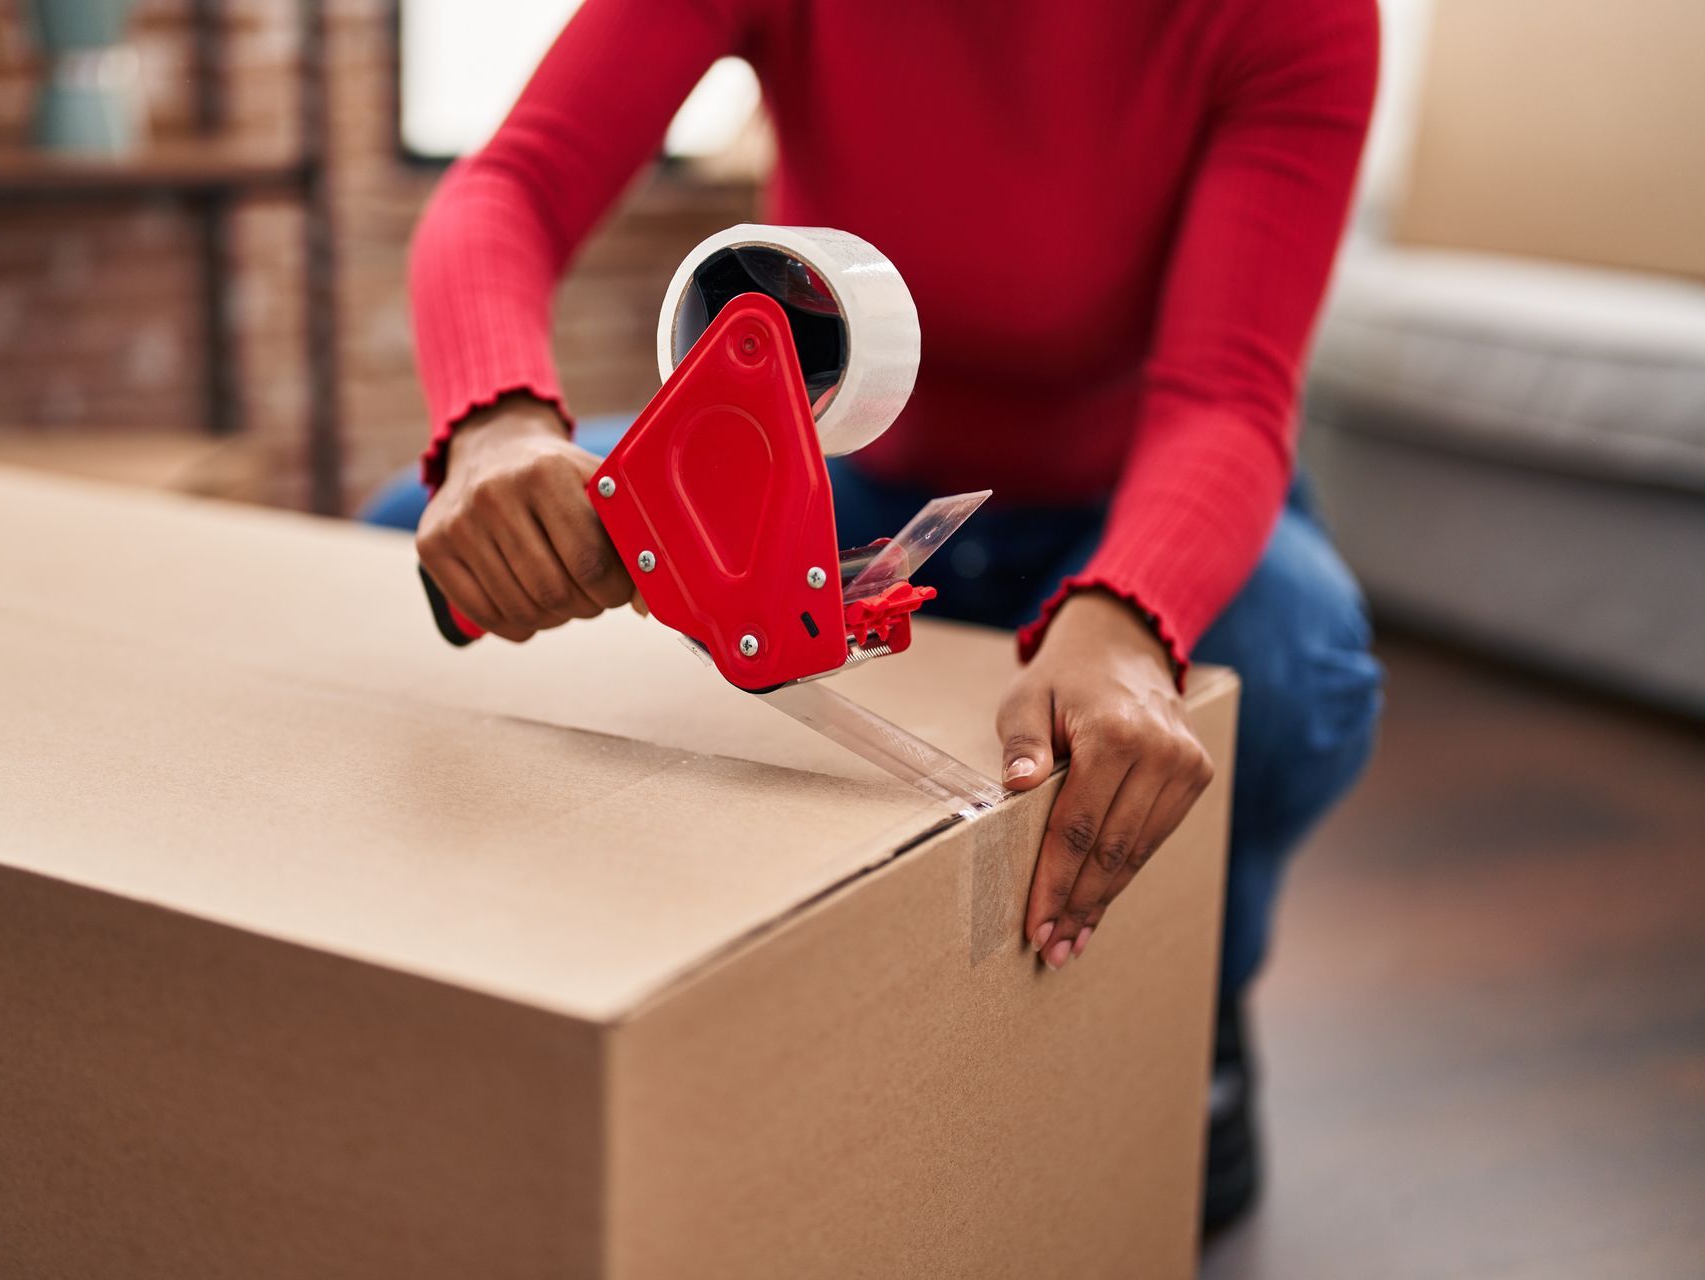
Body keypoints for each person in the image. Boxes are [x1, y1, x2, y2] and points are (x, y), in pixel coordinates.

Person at [391, 0, 1384, 1233]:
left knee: (1284, 665)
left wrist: (1133, 611)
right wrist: (493, 422)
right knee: (417, 536)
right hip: (840, 462)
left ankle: (1198, 989)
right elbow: (511, 187)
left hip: (1132, 494)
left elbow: (1227, 397)